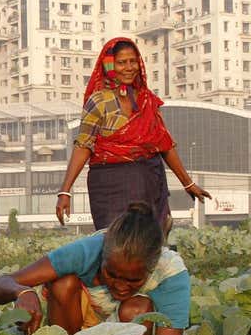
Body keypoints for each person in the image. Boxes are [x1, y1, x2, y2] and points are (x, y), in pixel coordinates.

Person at [0, 203, 189, 335]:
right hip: (77, 327)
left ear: (152, 267)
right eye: (111, 274)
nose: (119, 286)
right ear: (102, 255)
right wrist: (23, 292)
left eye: (132, 280)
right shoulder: (86, 251)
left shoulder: (169, 272)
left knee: (137, 308)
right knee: (62, 284)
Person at [54, 38, 211, 234]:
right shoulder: (99, 102)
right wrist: (65, 191)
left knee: (150, 247)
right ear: (110, 65)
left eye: (133, 61)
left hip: (148, 182)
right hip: (110, 185)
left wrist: (188, 183)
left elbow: (164, 144)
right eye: (121, 62)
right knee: (115, 245)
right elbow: (83, 146)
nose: (129, 67)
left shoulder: (146, 100)